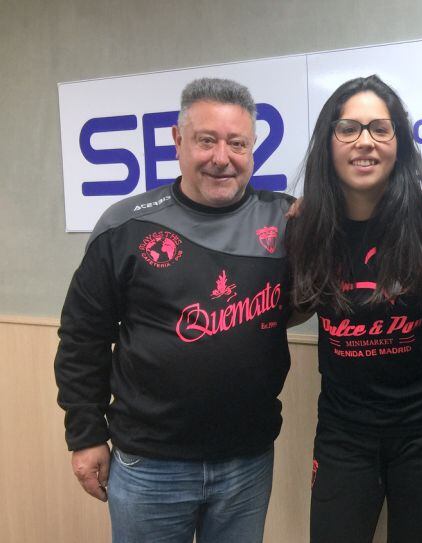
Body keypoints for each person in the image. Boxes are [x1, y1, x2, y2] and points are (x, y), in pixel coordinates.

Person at [54, 78, 293, 543]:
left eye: (237, 143)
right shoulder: (126, 225)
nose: (221, 157)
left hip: (246, 461)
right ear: (178, 141)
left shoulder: (285, 220)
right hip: (149, 465)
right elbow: (82, 336)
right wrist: (84, 436)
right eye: (207, 140)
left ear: (252, 148)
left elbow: (354, 229)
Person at [286, 75, 422, 543]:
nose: (365, 142)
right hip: (344, 433)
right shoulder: (305, 228)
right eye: (348, 128)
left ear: (399, 143)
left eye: (380, 129)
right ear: (328, 143)